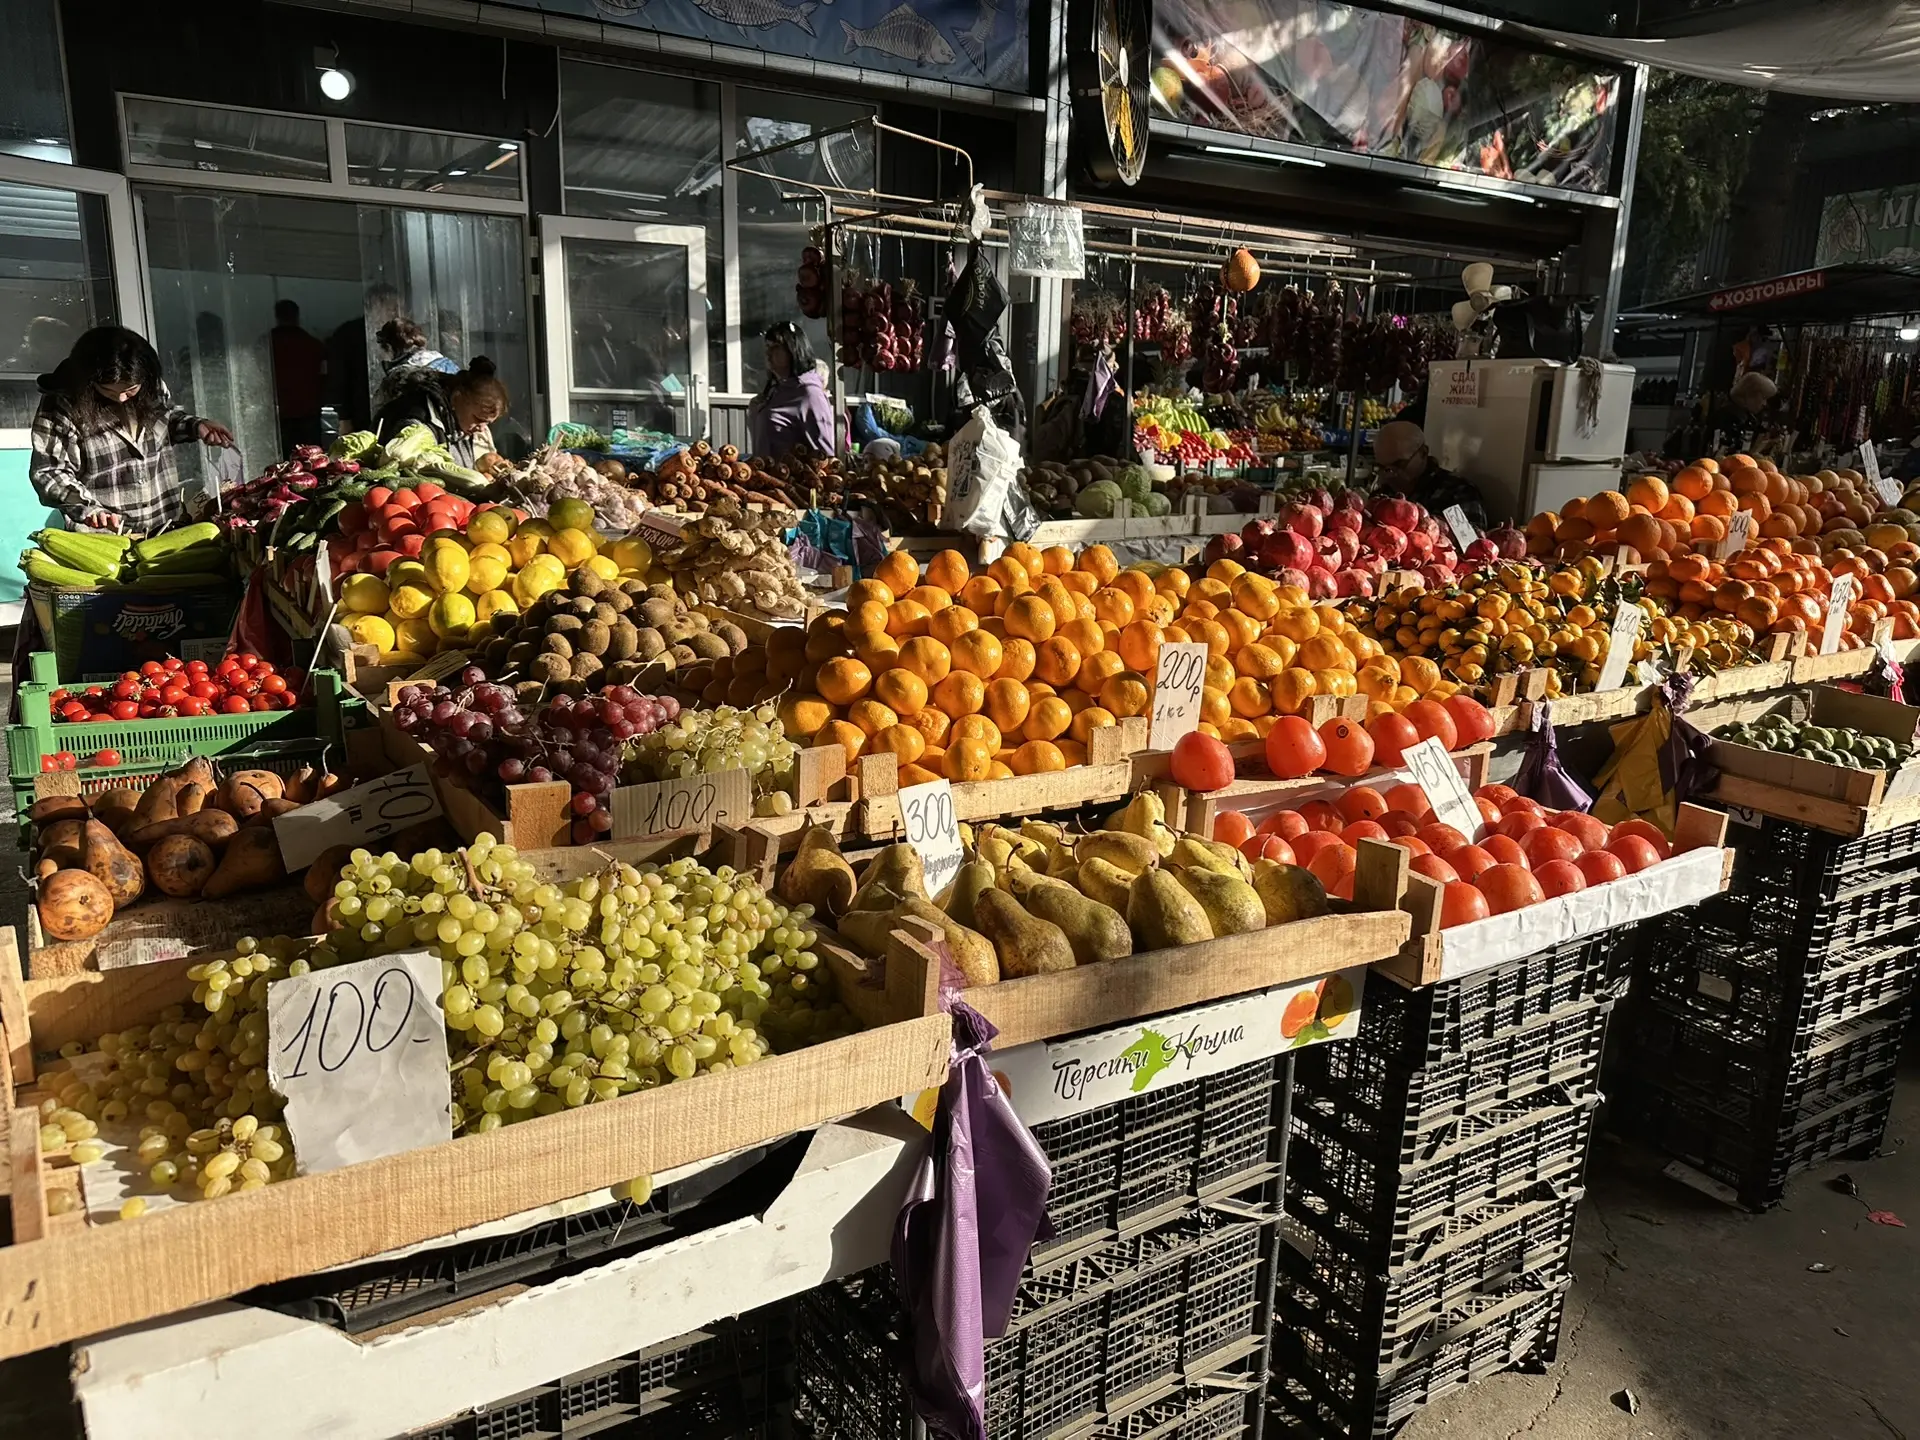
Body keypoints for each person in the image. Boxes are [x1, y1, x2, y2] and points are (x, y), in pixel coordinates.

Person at [30, 326, 234, 533]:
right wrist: (89, 509)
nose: (121, 398)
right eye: (108, 390)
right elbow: (49, 472)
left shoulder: (151, 385)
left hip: (164, 525)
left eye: (130, 391)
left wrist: (196, 426)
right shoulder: (61, 405)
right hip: (105, 537)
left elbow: (164, 421)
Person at [373, 356, 508, 469]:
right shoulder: (417, 422)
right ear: (456, 398)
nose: (482, 428)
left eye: (488, 423)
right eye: (478, 419)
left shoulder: (465, 424)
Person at [1372, 418, 1488, 531]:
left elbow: (1472, 540)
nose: (1389, 475)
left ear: (1423, 453)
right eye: (1382, 468)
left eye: (1399, 464)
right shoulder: (1383, 493)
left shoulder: (1457, 493)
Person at [748, 322, 835, 459]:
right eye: (767, 347)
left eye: (775, 347)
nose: (768, 353)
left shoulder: (810, 394)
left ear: (793, 350)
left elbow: (824, 456)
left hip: (791, 472)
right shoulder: (775, 389)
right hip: (764, 471)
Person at [326, 283, 403, 433]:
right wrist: (344, 418)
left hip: (392, 410)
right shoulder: (349, 334)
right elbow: (338, 378)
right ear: (374, 305)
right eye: (391, 307)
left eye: (396, 307)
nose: (395, 312)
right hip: (361, 410)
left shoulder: (397, 333)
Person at [269, 300, 327, 455]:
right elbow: (324, 376)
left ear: (277, 316)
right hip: (308, 409)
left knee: (281, 457)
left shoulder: (267, 344)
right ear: (297, 316)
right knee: (312, 457)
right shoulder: (312, 344)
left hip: (279, 410)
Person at [371, 318, 457, 414]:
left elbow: (380, 412)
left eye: (382, 350)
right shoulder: (447, 363)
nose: (381, 356)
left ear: (389, 347)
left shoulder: (397, 378)